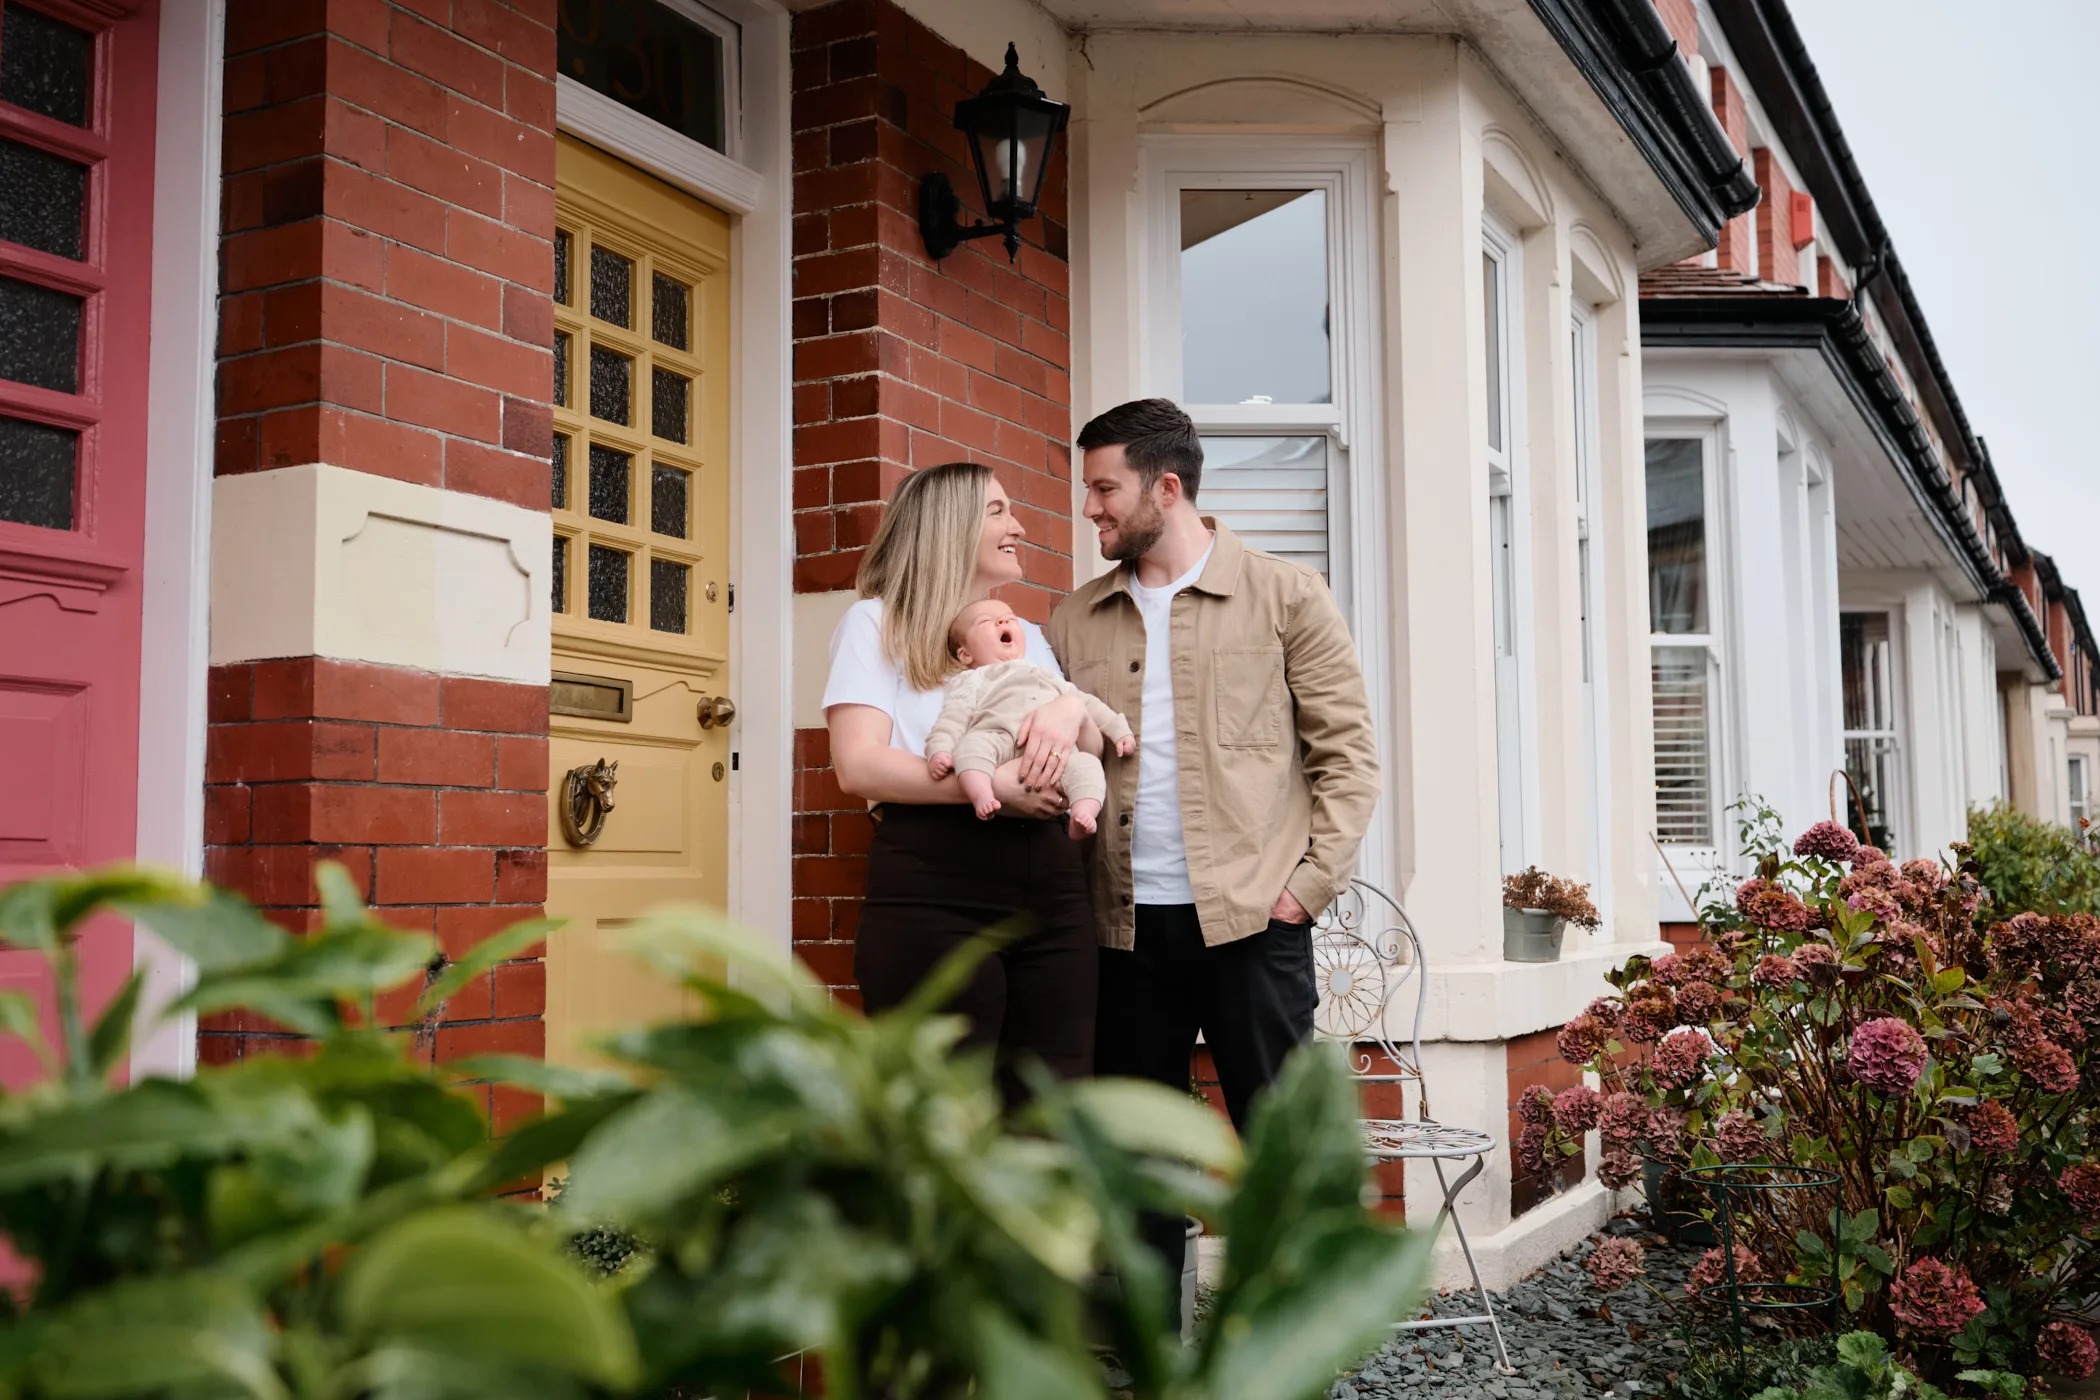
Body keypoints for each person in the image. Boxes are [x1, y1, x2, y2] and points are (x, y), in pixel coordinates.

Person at [1045, 398, 1380, 1281]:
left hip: (1251, 926)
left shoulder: (1285, 596)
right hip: (1122, 933)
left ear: (1165, 486)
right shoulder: (1072, 621)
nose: (1091, 509)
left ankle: (1290, 1348)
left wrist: (1302, 892)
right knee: (1140, 1163)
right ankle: (1149, 1356)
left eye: (1105, 488)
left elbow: (1348, 758)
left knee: (1278, 1156)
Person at [822, 462, 1103, 1104]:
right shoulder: (876, 624)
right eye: (999, 512)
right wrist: (988, 786)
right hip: (934, 881)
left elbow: (1083, 746)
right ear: (949, 527)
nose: (1019, 527)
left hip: (1052, 886)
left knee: (1051, 1108)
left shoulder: (1027, 635)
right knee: (940, 1111)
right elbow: (858, 765)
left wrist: (1070, 710)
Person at [926, 598, 1137, 834]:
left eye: (1010, 618)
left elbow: (1088, 705)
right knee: (970, 748)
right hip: (999, 739)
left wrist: (1119, 730)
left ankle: (1083, 811)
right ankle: (982, 794)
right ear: (965, 655)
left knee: (1087, 766)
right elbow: (953, 718)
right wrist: (940, 749)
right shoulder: (973, 678)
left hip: (1053, 757)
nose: (1004, 621)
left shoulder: (1046, 674)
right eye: (987, 621)